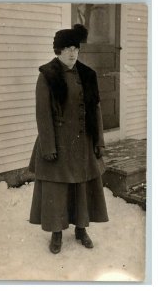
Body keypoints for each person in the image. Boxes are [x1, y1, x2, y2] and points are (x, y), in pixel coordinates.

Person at [28, 24, 108, 254]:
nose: (72, 53)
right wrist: (48, 146)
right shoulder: (47, 76)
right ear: (58, 51)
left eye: (75, 48)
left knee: (82, 188)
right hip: (58, 144)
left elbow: (96, 110)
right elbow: (42, 115)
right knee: (58, 189)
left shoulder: (88, 74)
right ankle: (56, 233)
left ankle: (81, 229)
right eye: (66, 49)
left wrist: (99, 141)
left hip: (83, 144)